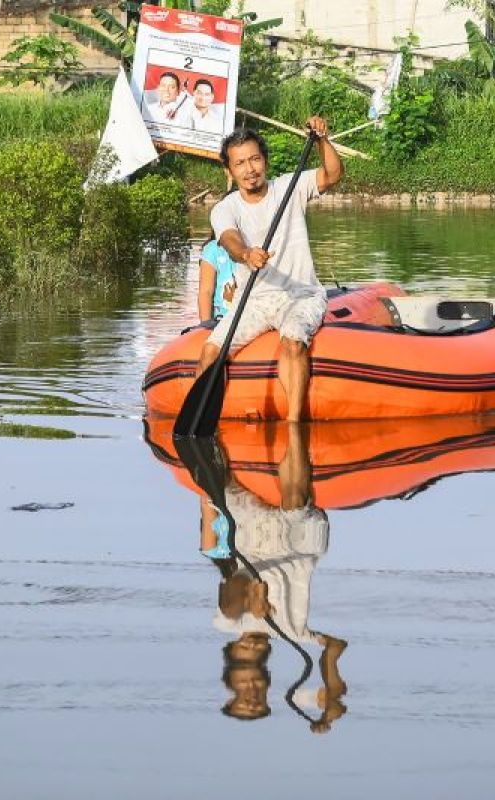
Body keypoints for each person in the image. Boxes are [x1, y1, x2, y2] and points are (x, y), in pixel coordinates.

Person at [197, 119, 344, 422]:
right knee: (210, 353)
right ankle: (211, 423)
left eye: (254, 159)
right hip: (253, 300)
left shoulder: (290, 187)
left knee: (292, 341)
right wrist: (246, 254)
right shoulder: (224, 208)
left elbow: (332, 174)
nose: (250, 169)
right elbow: (228, 240)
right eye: (240, 163)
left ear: (265, 160)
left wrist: (321, 140)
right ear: (229, 171)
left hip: (299, 294)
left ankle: (293, 425)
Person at [205, 424, 348, 730]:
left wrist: (247, 601)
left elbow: (228, 602)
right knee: (295, 501)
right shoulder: (294, 640)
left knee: (226, 492)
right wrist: (328, 710)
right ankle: (295, 425)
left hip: (253, 545)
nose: (251, 693)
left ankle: (251, 593)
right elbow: (335, 649)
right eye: (256, 698)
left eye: (242, 695)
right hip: (298, 547)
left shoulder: (226, 624)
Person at [197, 235, 240, 323]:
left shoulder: (254, 248)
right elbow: (206, 292)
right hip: (221, 319)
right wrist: (206, 325)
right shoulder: (213, 249)